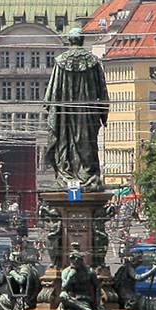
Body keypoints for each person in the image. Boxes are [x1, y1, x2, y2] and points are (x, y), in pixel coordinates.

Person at [43, 27, 109, 191]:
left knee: (65, 141)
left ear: (69, 41)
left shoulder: (60, 61)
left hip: (65, 115)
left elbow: (52, 92)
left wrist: (53, 108)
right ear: (82, 41)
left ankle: (67, 173)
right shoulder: (93, 62)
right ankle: (88, 174)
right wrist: (102, 113)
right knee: (87, 142)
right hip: (88, 114)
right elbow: (102, 91)